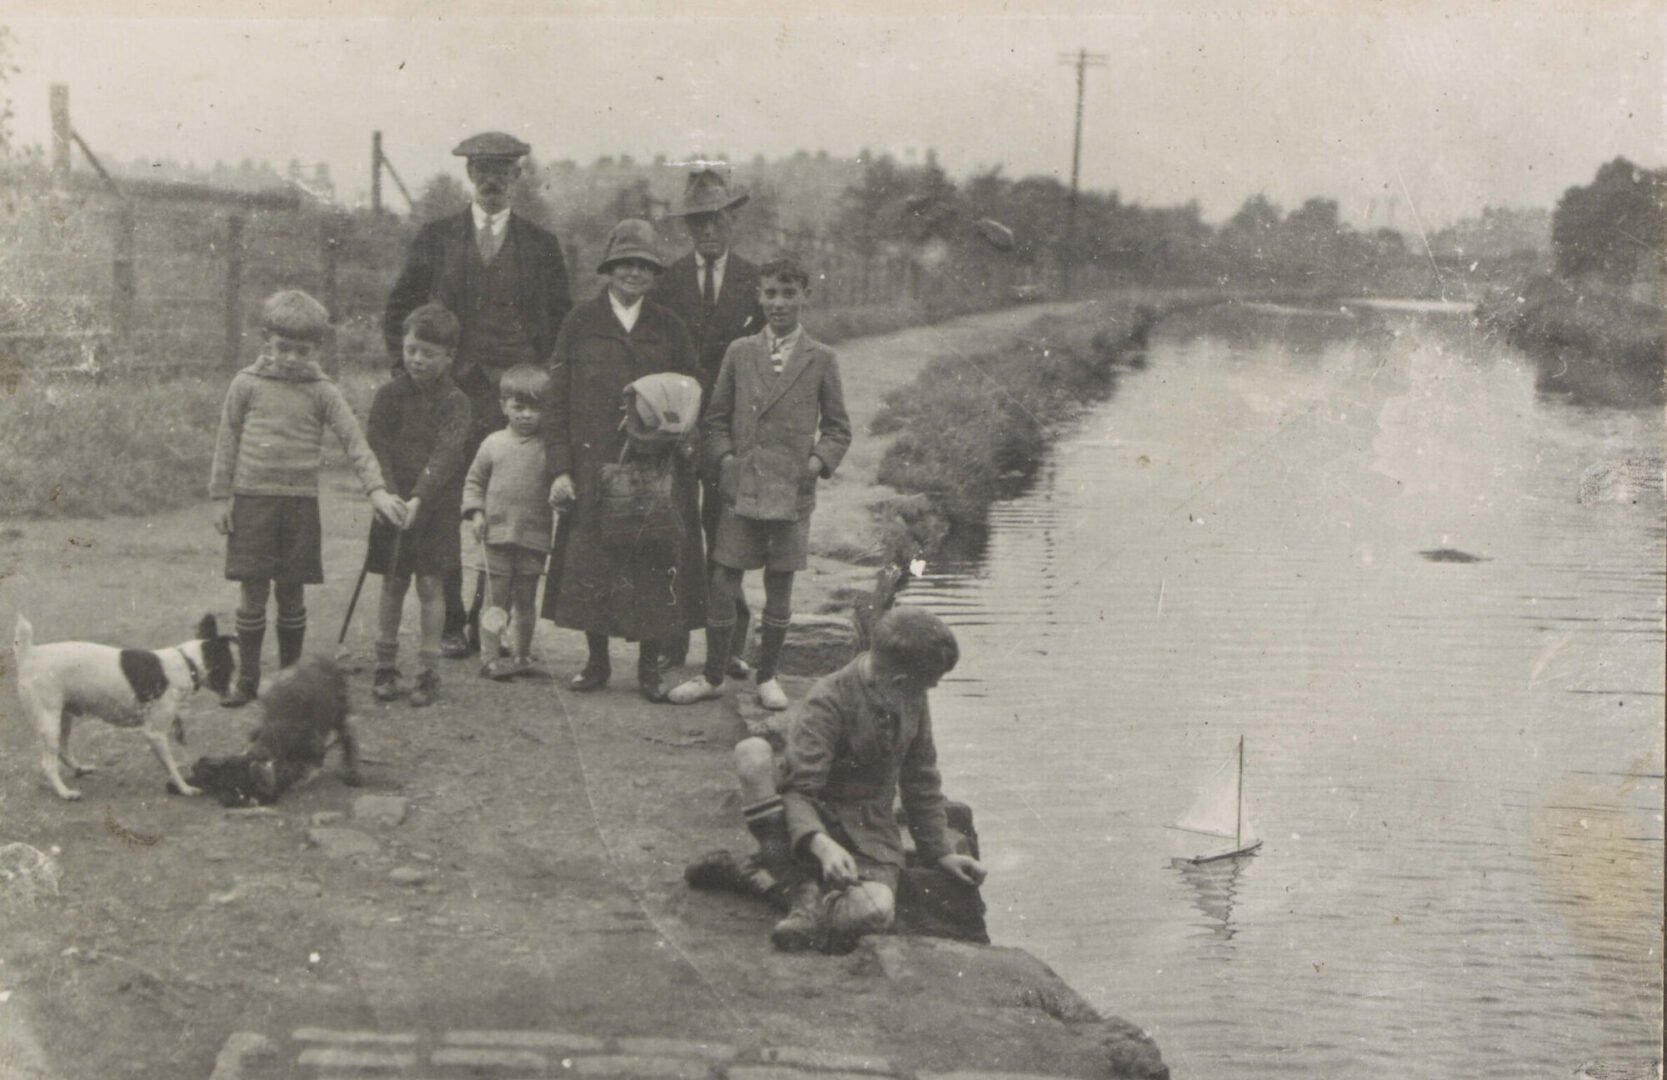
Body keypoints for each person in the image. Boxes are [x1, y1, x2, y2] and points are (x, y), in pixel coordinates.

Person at [383, 131, 573, 660]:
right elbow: (400, 307)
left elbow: (562, 323)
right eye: (482, 170)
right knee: (446, 498)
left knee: (509, 503)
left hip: (514, 398)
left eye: (503, 171)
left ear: (518, 177)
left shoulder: (540, 245)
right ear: (469, 175)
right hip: (448, 393)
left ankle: (487, 618)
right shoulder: (436, 238)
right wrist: (409, 373)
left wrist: (545, 384)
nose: (492, 180)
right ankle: (450, 618)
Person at [731, 607, 986, 952]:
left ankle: (768, 882)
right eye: (928, 683)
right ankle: (799, 891)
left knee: (877, 910)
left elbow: (921, 779)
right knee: (752, 753)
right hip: (810, 826)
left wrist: (941, 853)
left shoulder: (911, 696)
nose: (931, 690)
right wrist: (821, 845)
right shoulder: (829, 700)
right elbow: (799, 791)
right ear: (899, 682)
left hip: (869, 837)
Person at [668, 256, 851, 711]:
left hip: (791, 491)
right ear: (758, 297)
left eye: (788, 294)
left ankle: (768, 676)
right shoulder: (740, 351)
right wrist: (727, 461)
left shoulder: (821, 358)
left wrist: (814, 464)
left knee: (780, 584)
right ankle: (713, 674)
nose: (778, 303)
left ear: (805, 296)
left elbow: (837, 429)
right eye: (770, 293)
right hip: (742, 487)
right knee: (724, 577)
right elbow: (714, 419)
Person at [210, 289, 404, 707]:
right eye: (283, 348)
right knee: (253, 592)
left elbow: (355, 443)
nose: (293, 358)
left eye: (302, 350)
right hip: (252, 500)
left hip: (299, 504)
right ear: (266, 341)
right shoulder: (245, 384)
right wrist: (220, 497)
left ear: (317, 348)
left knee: (292, 593)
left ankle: (289, 681)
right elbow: (227, 440)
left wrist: (378, 492)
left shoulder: (323, 391)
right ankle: (246, 680)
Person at [542, 219, 707, 702]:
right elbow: (557, 398)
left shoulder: (669, 325)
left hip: (655, 467)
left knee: (654, 559)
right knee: (593, 562)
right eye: (625, 264)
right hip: (593, 464)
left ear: (655, 274)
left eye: (644, 266)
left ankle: (649, 668)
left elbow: (694, 390)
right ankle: (596, 662)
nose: (634, 274)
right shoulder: (580, 322)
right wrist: (561, 467)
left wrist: (679, 437)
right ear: (610, 268)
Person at [653, 167, 765, 675]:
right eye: (699, 222)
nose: (709, 231)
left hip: (732, 430)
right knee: (674, 530)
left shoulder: (756, 282)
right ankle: (672, 639)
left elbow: (769, 360)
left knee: (725, 532)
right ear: (688, 227)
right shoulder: (668, 280)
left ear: (732, 221)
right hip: (677, 427)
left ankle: (730, 645)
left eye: (717, 219)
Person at [366, 303, 472, 707]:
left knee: (431, 585)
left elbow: (446, 454)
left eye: (429, 352)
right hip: (392, 505)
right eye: (412, 349)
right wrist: (388, 494)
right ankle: (385, 665)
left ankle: (428, 671)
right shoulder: (389, 395)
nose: (417, 359)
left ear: (449, 356)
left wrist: (419, 498)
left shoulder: (456, 402)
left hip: (435, 509)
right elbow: (378, 445)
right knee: (392, 583)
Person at [461, 363, 555, 680]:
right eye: (519, 407)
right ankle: (489, 658)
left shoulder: (550, 449)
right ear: (504, 406)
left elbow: (561, 484)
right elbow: (474, 482)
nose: (527, 415)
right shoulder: (492, 444)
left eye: (535, 408)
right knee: (494, 601)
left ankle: (522, 655)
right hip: (496, 536)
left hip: (533, 537)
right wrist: (476, 513)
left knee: (526, 602)